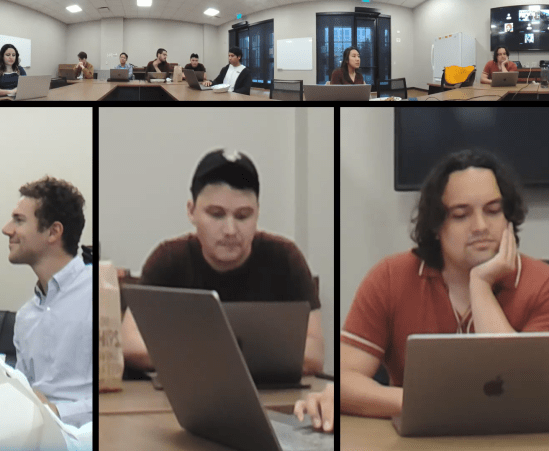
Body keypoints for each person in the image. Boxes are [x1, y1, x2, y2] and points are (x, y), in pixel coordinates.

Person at [341, 149, 549, 418]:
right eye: (461, 215)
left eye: (493, 211)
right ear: (437, 226)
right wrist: (422, 402)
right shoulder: (390, 276)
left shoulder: (541, 282)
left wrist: (481, 285)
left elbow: (521, 393)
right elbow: (344, 380)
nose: (480, 226)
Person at [121, 149, 325, 375]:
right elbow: (130, 343)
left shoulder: (285, 259)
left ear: (257, 213)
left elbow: (314, 354)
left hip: (273, 394)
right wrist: (227, 359)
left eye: (243, 216)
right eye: (216, 214)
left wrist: (192, 355)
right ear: (191, 211)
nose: (230, 230)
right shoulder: (168, 260)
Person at [2, 176, 92, 428]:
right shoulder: (26, 317)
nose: (6, 229)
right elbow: (26, 394)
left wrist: (56, 411)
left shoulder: (98, 295)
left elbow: (114, 397)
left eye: (19, 220)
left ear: (53, 232)